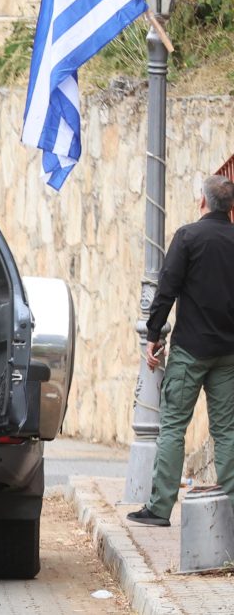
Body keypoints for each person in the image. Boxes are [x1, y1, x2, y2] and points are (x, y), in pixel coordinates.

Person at [128, 175, 234, 527]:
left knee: (173, 426)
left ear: (202, 201)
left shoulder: (188, 237)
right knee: (227, 431)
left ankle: (160, 508)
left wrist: (153, 335)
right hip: (228, 353)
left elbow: (167, 289)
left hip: (190, 351)